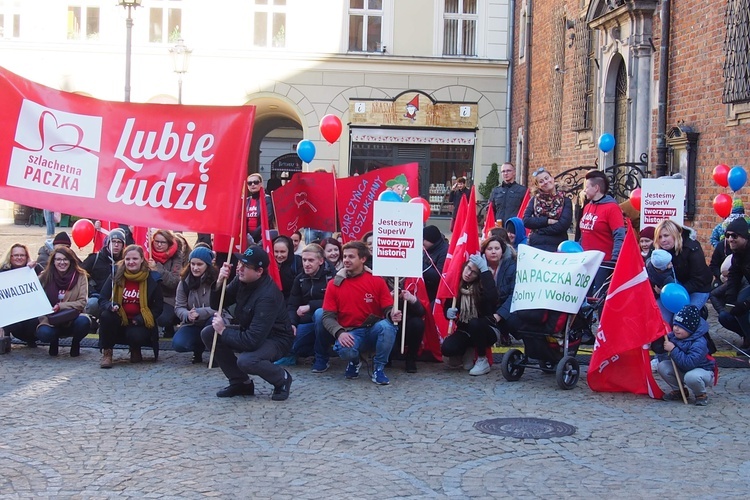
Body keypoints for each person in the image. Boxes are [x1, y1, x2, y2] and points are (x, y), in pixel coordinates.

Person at [201, 246, 294, 401]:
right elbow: (218, 304)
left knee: (247, 360)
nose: (240, 269)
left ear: (259, 271)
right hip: (252, 331)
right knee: (209, 333)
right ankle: (240, 382)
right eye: (240, 264)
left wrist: (224, 331)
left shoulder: (267, 296)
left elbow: (252, 341)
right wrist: (219, 283)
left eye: (246, 266)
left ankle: (282, 378)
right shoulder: (242, 280)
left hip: (276, 338)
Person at [321, 241, 401, 385]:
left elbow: (388, 308)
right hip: (350, 331)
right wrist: (339, 333)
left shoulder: (377, 280)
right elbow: (327, 317)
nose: (346, 260)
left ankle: (379, 368)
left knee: (388, 327)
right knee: (344, 349)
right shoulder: (333, 284)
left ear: (363, 259)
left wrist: (392, 314)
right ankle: (354, 361)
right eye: (344, 256)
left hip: (373, 329)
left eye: (351, 257)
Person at [98, 245, 164, 368]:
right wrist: (110, 305)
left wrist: (142, 318)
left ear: (142, 260)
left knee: (135, 336)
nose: (131, 262)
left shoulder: (152, 278)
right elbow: (102, 299)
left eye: (135, 259)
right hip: (118, 319)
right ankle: (107, 353)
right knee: (106, 316)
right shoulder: (115, 275)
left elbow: (158, 307)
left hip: (139, 322)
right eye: (127, 259)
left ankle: (135, 348)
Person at [276, 243, 333, 367]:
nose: (307, 264)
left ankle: (322, 358)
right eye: (304, 260)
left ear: (321, 261)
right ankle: (300, 353)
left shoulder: (331, 277)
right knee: (292, 343)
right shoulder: (300, 279)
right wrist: (292, 323)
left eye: (311, 260)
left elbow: (337, 301)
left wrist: (310, 306)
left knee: (319, 314)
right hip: (307, 320)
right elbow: (292, 304)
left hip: (330, 320)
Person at [442, 255, 499, 376]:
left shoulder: (482, 288)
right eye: (468, 268)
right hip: (464, 330)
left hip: (486, 329)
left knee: (474, 323)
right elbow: (448, 305)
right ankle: (468, 351)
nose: (468, 273)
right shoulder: (457, 286)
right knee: (447, 348)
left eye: (473, 272)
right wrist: (448, 312)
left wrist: (485, 271)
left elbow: (493, 297)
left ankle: (482, 359)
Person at [653, 219, 712, 324]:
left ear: (675, 235)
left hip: (697, 289)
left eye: (666, 236)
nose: (663, 240)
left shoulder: (691, 248)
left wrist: (677, 292)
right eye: (660, 237)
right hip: (670, 290)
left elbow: (699, 279)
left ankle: (701, 335)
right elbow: (651, 272)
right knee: (661, 317)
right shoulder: (657, 252)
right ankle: (667, 340)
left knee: (681, 318)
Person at [35, 246, 90, 357]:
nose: (62, 262)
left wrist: (62, 306)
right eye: (58, 259)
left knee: (84, 322)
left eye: (65, 259)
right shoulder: (45, 276)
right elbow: (31, 288)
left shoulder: (80, 276)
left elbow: (82, 302)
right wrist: (31, 267)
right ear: (53, 261)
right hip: (50, 319)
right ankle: (53, 341)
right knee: (44, 333)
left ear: (70, 260)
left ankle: (75, 343)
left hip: (72, 317)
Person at [658, 305, 716, 406]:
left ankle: (701, 394)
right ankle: (679, 390)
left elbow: (689, 363)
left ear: (690, 329)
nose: (676, 329)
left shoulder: (699, 343)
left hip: (702, 371)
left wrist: (673, 349)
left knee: (691, 377)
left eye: (680, 327)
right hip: (683, 369)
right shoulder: (674, 336)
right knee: (663, 366)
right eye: (675, 325)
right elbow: (659, 348)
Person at [579, 170, 625, 291]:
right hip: (586, 261)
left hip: (604, 263)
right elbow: (584, 234)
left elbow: (619, 235)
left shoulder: (612, 208)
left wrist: (614, 260)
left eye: (587, 187)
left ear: (596, 188)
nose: (584, 190)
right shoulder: (587, 207)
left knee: (598, 297)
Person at [173, 247, 218, 364]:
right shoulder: (184, 281)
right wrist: (188, 315)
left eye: (199, 264)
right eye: (192, 264)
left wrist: (201, 312)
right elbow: (179, 307)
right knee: (179, 343)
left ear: (207, 265)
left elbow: (220, 306)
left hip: (212, 320)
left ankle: (218, 353)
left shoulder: (216, 281)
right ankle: (198, 349)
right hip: (193, 323)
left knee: (213, 323)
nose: (195, 268)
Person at [715, 218, 750, 349]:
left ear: (744, 237)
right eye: (727, 235)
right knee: (726, 315)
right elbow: (733, 278)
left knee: (743, 305)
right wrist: (731, 302)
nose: (730, 239)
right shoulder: (737, 254)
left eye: (734, 235)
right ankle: (747, 337)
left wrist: (746, 304)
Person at [1, 244, 44, 347]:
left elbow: (48, 278)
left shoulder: (35, 268)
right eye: (15, 255)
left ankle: (31, 340)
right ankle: (5, 342)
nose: (19, 258)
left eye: (22, 255)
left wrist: (35, 269)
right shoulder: (2, 272)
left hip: (31, 316)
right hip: (12, 316)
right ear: (10, 257)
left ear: (27, 256)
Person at [522, 167, 573, 252]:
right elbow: (526, 220)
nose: (545, 182)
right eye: (541, 181)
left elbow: (563, 225)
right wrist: (547, 221)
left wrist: (539, 230)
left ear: (552, 178)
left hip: (557, 246)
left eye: (547, 178)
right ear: (538, 186)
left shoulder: (565, 200)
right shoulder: (534, 200)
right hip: (536, 246)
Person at [149, 229, 188, 338]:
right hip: (151, 296)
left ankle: (172, 323)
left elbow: (174, 282)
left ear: (169, 243)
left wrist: (157, 268)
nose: (159, 245)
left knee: (162, 319)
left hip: (169, 298)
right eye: (156, 241)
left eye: (163, 242)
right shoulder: (148, 254)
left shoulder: (177, 257)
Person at [82, 228, 127, 319]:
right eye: (113, 241)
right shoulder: (94, 258)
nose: (116, 245)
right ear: (107, 243)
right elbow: (81, 275)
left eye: (119, 242)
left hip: (119, 296)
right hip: (96, 295)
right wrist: (90, 290)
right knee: (92, 304)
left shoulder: (126, 261)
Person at [384, 276, 425, 373]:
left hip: (407, 324)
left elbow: (422, 312)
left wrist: (412, 299)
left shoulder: (415, 280)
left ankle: (411, 358)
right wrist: (387, 298)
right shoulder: (380, 280)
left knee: (418, 324)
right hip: (387, 324)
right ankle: (385, 356)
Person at [483, 236, 517, 346]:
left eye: (497, 248)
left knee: (513, 322)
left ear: (502, 251)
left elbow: (514, 294)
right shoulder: (478, 266)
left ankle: (505, 334)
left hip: (505, 309)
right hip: (486, 307)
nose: (493, 252)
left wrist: (499, 315)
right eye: (490, 249)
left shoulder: (512, 266)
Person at [245, 173, 275, 245]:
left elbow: (267, 219)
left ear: (261, 184)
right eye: (249, 183)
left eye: (255, 182)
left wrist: (253, 236)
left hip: (262, 238)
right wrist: (247, 236)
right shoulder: (246, 201)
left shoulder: (267, 199)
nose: (253, 184)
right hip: (247, 238)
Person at [422, 225, 447, 303]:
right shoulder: (429, 248)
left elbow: (439, 275)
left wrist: (420, 265)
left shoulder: (444, 251)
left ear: (431, 240)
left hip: (435, 293)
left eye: (423, 240)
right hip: (425, 289)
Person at [273, 234, 303, 299]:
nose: (279, 255)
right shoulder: (270, 264)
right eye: (276, 251)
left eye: (282, 252)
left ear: (289, 251)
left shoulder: (298, 262)